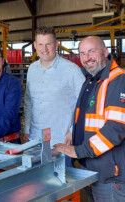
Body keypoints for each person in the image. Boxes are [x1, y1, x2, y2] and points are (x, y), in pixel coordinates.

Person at [54, 36, 125, 201]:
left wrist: (79, 151)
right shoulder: (90, 79)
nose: (87, 58)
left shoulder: (118, 80)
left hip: (111, 174)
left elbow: (116, 128)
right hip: (92, 168)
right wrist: (73, 131)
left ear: (105, 52)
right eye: (82, 54)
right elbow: (86, 115)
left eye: (92, 52)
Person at [23, 26, 85, 148]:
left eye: (48, 44)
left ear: (56, 44)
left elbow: (85, 102)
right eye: (40, 44)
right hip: (35, 139)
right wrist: (26, 128)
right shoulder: (32, 69)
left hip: (61, 140)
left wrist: (73, 131)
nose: (44, 49)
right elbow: (29, 101)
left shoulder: (71, 70)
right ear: (35, 45)